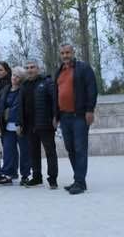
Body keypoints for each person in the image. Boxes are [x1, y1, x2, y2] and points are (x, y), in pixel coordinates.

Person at [54, 43, 98, 195]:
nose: (65, 55)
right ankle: (79, 181)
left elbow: (92, 89)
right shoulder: (59, 71)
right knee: (70, 149)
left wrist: (90, 109)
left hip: (79, 116)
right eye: (62, 53)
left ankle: (79, 181)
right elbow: (56, 94)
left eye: (67, 52)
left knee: (80, 149)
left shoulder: (83, 68)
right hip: (64, 117)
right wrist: (56, 116)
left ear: (73, 53)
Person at [22, 58, 58, 189]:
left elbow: (54, 100)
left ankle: (52, 179)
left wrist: (55, 117)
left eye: (32, 67)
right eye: (27, 68)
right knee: (33, 152)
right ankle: (37, 177)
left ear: (38, 69)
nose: (29, 70)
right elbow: (21, 106)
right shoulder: (24, 85)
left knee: (50, 152)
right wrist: (20, 123)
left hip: (45, 123)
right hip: (29, 125)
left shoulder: (47, 82)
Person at [0, 67, 29, 186]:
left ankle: (25, 175)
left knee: (24, 151)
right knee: (8, 150)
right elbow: (0, 109)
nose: (14, 78)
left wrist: (21, 124)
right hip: (7, 125)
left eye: (17, 76)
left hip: (20, 125)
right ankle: (8, 174)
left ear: (22, 79)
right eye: (13, 75)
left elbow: (25, 109)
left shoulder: (24, 90)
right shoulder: (6, 89)